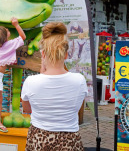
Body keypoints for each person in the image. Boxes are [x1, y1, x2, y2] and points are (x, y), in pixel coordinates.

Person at [21, 22, 88, 150]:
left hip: (39, 139)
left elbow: (28, 109)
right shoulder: (79, 80)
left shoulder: (31, 82)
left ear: (43, 55)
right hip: (69, 140)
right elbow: (75, 108)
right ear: (66, 54)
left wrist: (42, 75)